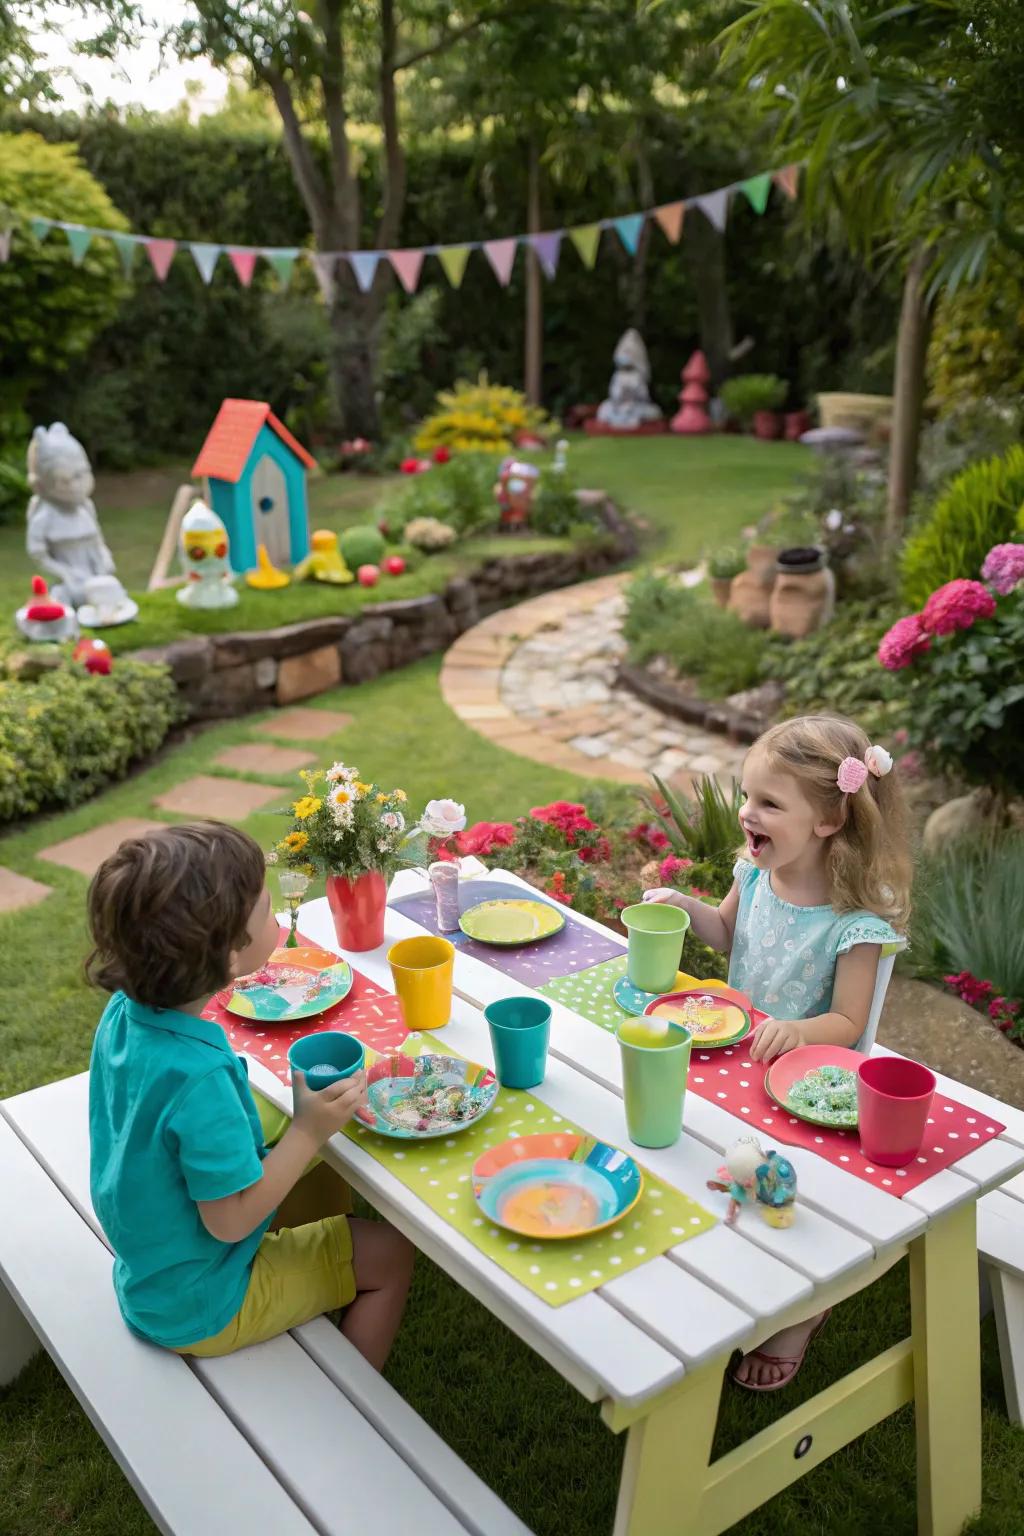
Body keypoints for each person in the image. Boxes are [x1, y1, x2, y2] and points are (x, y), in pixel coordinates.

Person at [644, 714, 910, 1390]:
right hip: (741, 1059)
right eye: (745, 796)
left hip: (805, 1086)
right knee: (692, 1149)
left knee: (791, 1198)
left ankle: (807, 1305)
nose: (745, 813)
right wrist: (682, 905)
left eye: (767, 802)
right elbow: (725, 933)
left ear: (827, 820)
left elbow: (849, 1021)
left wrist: (799, 1030)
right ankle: (729, 1266)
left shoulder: (854, 923)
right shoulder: (756, 875)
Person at [86, 821, 413, 1368]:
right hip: (207, 1300)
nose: (277, 915)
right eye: (265, 910)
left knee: (289, 1141)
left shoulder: (126, 1011)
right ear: (227, 958)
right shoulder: (200, 1079)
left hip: (155, 1265)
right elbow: (231, 1221)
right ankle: (356, 1405)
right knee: (391, 1255)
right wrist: (308, 1131)